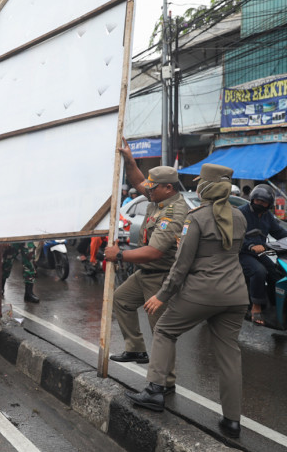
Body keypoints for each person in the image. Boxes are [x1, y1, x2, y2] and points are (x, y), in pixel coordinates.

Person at [128, 163, 249, 439]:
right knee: (230, 356)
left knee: (164, 330)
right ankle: (232, 421)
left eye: (199, 183)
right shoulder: (240, 216)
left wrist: (162, 295)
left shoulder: (196, 218)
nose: (197, 187)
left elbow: (181, 265)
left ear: (206, 186)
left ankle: (155, 391)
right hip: (236, 294)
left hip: (202, 293)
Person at [105, 146, 189, 400]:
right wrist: (130, 160)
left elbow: (154, 252)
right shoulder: (157, 197)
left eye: (153, 188)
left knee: (161, 331)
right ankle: (136, 349)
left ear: (168, 188)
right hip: (145, 273)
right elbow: (138, 181)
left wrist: (119, 255)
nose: (147, 191)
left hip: (161, 277)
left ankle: (165, 383)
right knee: (121, 300)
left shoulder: (173, 212)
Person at [238, 184, 287, 325]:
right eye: (257, 200)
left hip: (260, 252)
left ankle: (276, 305)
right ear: (252, 199)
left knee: (276, 273)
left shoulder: (267, 216)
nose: (259, 203)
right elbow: (235, 235)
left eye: (263, 202)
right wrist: (251, 245)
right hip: (242, 253)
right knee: (259, 271)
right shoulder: (241, 213)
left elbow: (278, 232)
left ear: (269, 204)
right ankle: (256, 307)